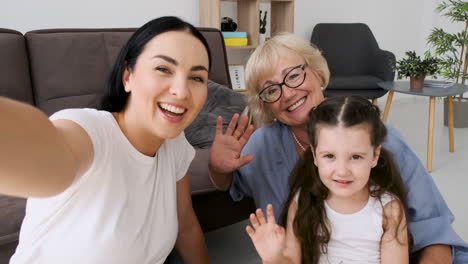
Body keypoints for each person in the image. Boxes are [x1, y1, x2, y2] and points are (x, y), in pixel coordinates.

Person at [208, 33, 468, 263]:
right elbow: (234, 187)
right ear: (265, 104)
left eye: (294, 75)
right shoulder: (262, 144)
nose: (287, 94)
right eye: (271, 90)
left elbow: (434, 234)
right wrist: (217, 168)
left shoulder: (382, 139)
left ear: (319, 73)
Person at [0, 16, 210, 264]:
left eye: (197, 78)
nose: (182, 91)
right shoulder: (89, 130)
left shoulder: (174, 145)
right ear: (127, 76)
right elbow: (52, 155)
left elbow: (186, 226)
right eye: (163, 69)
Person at [246, 96, 411, 264]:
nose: (342, 171)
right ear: (315, 155)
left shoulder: (389, 209)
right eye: (330, 156)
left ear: (375, 156)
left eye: (355, 157)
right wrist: (274, 258)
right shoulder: (302, 200)